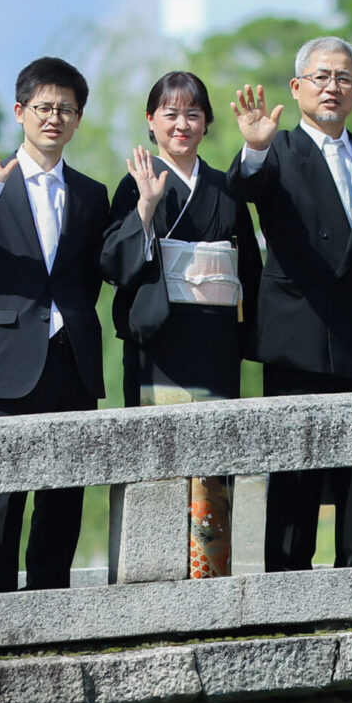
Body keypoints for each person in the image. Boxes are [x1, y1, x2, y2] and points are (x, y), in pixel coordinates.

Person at [230, 35, 352, 572]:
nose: (333, 87)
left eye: (344, 78)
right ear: (297, 86)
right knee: (293, 472)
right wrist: (255, 146)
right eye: (321, 76)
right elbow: (243, 189)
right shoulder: (275, 150)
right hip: (296, 334)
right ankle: (285, 587)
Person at [0, 57, 111, 595]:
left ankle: (50, 605)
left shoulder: (91, 194)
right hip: (5, 362)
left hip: (71, 359)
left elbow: (92, 278)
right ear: (20, 112)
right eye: (43, 107)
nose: (53, 118)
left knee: (63, 496)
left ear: (78, 119)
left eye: (66, 109)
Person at [101, 71, 261, 579]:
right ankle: (149, 577)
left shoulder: (224, 189)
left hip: (214, 346)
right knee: (156, 464)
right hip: (158, 345)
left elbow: (249, 269)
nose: (182, 124)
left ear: (208, 123)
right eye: (170, 114)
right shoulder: (134, 184)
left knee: (211, 468)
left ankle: (208, 581)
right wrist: (145, 206)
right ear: (151, 121)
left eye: (193, 114)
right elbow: (113, 265)